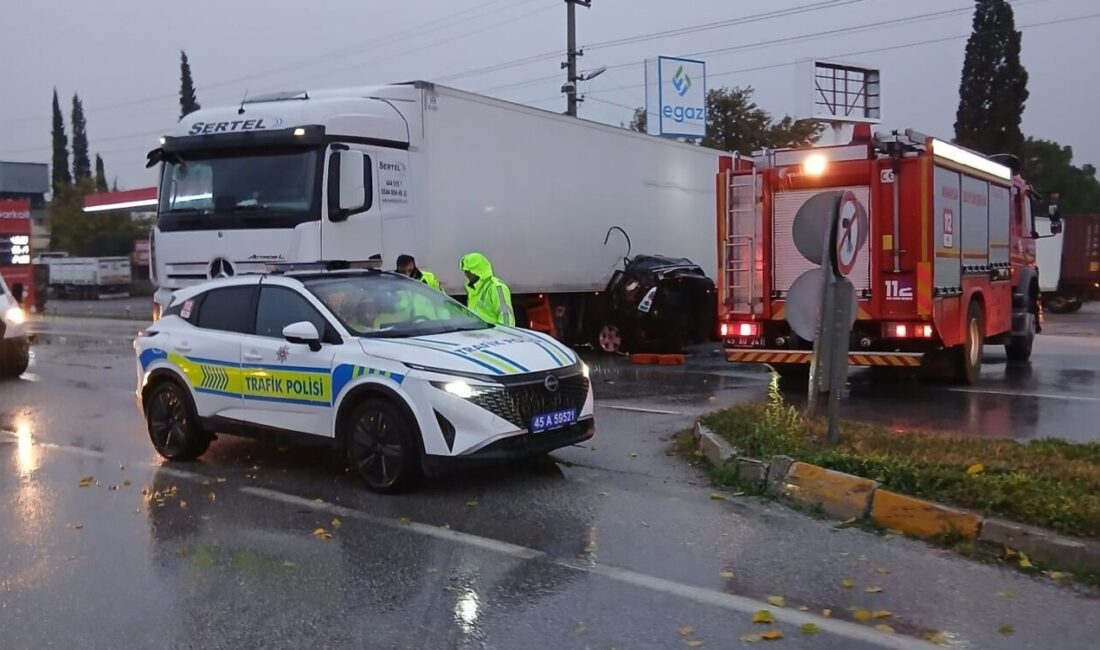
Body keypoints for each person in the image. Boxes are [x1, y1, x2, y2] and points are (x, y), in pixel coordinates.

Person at [460, 252, 515, 326]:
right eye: (465, 271)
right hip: (479, 335)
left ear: (478, 271)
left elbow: (506, 317)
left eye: (469, 271)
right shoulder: (473, 289)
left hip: (494, 335)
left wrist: (502, 336)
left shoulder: (497, 287)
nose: (466, 275)